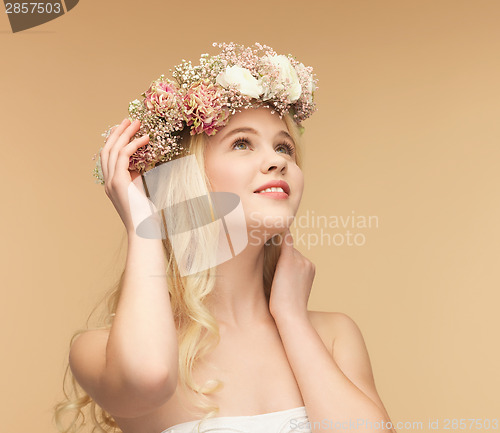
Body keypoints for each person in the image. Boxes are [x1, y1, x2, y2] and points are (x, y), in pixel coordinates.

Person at [54, 43, 396, 433]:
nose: (278, 160)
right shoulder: (100, 349)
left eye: (284, 146)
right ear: (185, 178)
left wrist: (291, 318)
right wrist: (142, 223)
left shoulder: (333, 335)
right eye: (242, 143)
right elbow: (148, 378)